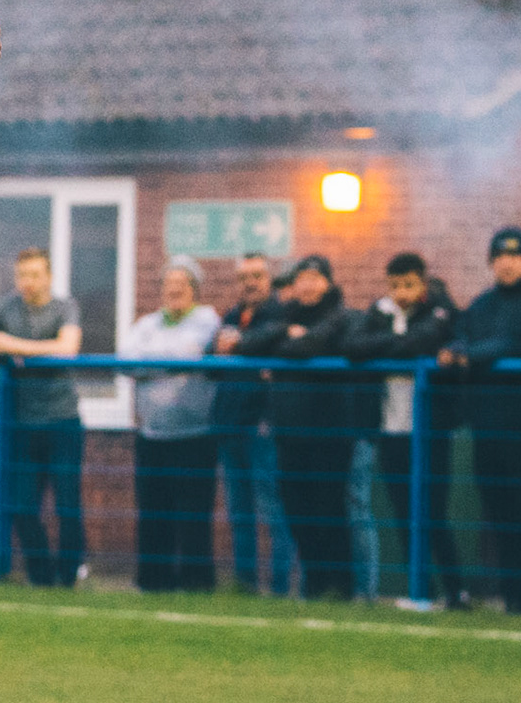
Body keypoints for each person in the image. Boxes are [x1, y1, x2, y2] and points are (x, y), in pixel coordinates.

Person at [441, 228, 521, 615]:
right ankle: (511, 594)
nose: (506, 264)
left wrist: (472, 356)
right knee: (498, 510)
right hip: (488, 424)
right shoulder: (484, 303)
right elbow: (462, 333)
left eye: (514, 256)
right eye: (499, 257)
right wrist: (458, 349)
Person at [237, 255, 361, 599]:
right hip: (290, 433)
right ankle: (315, 583)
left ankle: (341, 586)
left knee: (329, 508)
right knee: (296, 509)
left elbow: (310, 344)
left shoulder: (343, 316)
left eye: (314, 278)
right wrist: (284, 333)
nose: (307, 285)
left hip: (330, 432)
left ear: (328, 283)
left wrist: (282, 346)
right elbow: (248, 343)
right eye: (302, 278)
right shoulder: (285, 315)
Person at [344, 252, 464, 605]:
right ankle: (421, 591)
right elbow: (353, 347)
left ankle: (457, 591)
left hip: (430, 430)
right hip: (390, 428)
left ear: (422, 283)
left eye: (409, 285)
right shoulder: (379, 311)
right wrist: (395, 345)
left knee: (433, 512)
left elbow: (421, 340)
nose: (401, 293)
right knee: (402, 511)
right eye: (395, 285)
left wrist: (386, 348)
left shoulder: (440, 309)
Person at [0, 246, 85, 587]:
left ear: (48, 276)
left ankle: (69, 575)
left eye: (35, 275)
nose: (28, 282)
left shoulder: (65, 307)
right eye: (22, 275)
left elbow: (67, 348)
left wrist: (10, 344)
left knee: (67, 503)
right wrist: (12, 345)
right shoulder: (7, 306)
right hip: (22, 423)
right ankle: (41, 576)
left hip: (63, 420)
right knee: (22, 505)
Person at [120, 257, 222, 591]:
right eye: (169, 284)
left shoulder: (207, 319)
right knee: (152, 511)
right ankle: (154, 581)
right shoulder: (147, 323)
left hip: (195, 436)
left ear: (194, 289)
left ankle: (196, 582)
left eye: (182, 284)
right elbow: (125, 361)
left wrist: (152, 361)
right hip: (152, 435)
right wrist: (170, 361)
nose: (174, 290)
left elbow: (189, 352)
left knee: (193, 514)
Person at [209, 253, 297, 595]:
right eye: (244, 277)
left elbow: (272, 345)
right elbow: (211, 361)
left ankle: (279, 586)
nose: (250, 283)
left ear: (269, 279)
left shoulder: (281, 314)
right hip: (230, 424)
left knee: (273, 509)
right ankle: (245, 583)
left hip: (263, 426)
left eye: (257, 275)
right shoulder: (232, 316)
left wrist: (239, 347)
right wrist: (221, 350)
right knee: (239, 510)